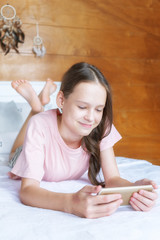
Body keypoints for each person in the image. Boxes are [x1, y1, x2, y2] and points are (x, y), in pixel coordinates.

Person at [9, 62, 158, 219]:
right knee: (14, 153)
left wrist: (135, 189)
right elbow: (27, 191)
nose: (91, 117)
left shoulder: (101, 126)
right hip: (33, 140)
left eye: (99, 109)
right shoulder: (40, 124)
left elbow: (112, 178)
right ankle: (36, 109)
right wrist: (70, 203)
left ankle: (39, 106)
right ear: (61, 100)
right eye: (82, 107)